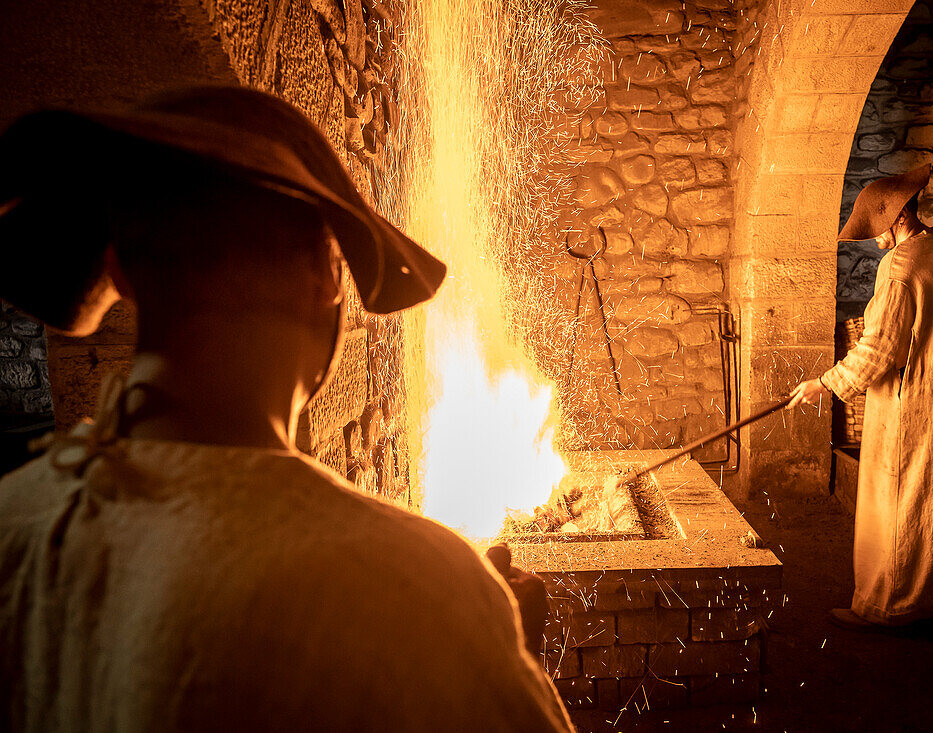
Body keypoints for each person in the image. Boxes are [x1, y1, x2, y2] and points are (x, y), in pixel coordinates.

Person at [0, 86, 573, 732]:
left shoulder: (14, 519)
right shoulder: (420, 589)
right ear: (329, 275)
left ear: (123, 273)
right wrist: (503, 656)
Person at [789, 165, 933, 630]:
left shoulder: (901, 266)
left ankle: (888, 605)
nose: (874, 240)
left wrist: (825, 384)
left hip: (913, 405)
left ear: (897, 217)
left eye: (877, 229)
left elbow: (880, 351)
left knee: (901, 501)